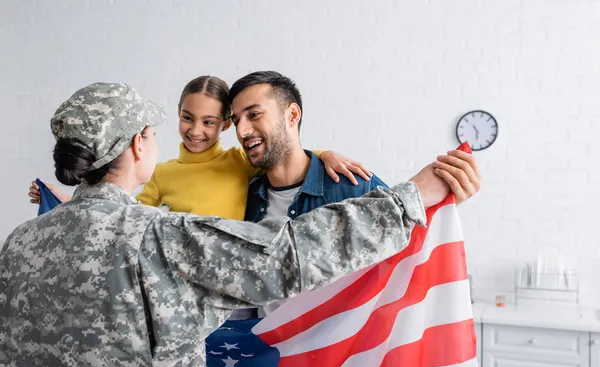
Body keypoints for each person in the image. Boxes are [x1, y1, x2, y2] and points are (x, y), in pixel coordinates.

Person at [0, 82, 456, 367]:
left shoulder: (19, 242)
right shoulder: (155, 237)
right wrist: (410, 199)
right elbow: (287, 254)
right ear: (139, 145)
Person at [28, 76, 372, 220]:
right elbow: (118, 209)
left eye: (209, 122)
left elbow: (288, 157)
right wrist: (63, 197)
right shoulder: (160, 173)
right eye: (187, 118)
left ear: (225, 124)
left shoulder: (240, 160)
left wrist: (325, 154)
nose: (196, 131)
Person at [229, 71, 480, 223]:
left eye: (254, 115)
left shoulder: (355, 187)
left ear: (292, 115)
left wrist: (446, 205)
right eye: (237, 120)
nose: (241, 131)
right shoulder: (243, 196)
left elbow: (406, 246)